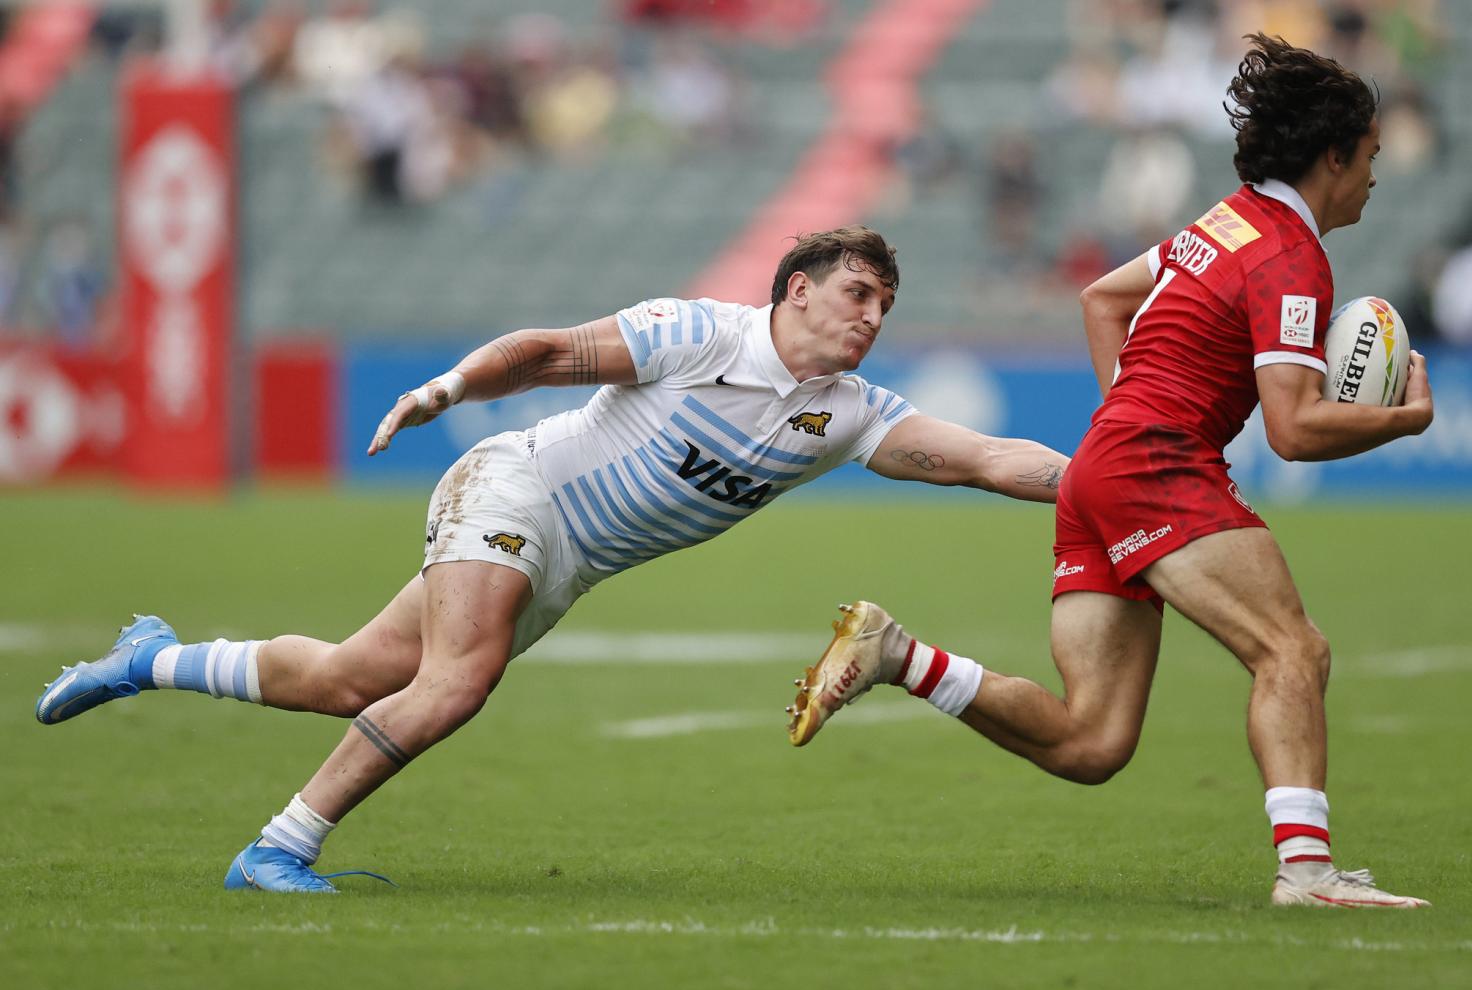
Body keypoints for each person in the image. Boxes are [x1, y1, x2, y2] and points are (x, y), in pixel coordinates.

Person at [35, 226, 1069, 893]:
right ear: (796, 290)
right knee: (457, 680)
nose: (871, 317)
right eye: (855, 293)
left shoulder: (846, 417)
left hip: (559, 566)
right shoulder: (700, 331)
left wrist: (1097, 482)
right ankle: (279, 846)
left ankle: (148, 657)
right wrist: (443, 389)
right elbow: (542, 352)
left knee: (349, 677)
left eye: (884, 305)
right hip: (514, 490)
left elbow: (984, 456)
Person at [788, 36, 1436, 908]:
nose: (1372, 178)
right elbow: (1293, 428)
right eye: (1370, 159)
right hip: (1156, 463)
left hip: (1108, 461)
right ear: (1333, 154)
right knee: (1293, 649)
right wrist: (1405, 419)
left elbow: (1102, 299)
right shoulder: (1290, 253)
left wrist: (1120, 423)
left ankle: (899, 654)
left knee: (1092, 741)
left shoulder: (1226, 218)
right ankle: (1309, 873)